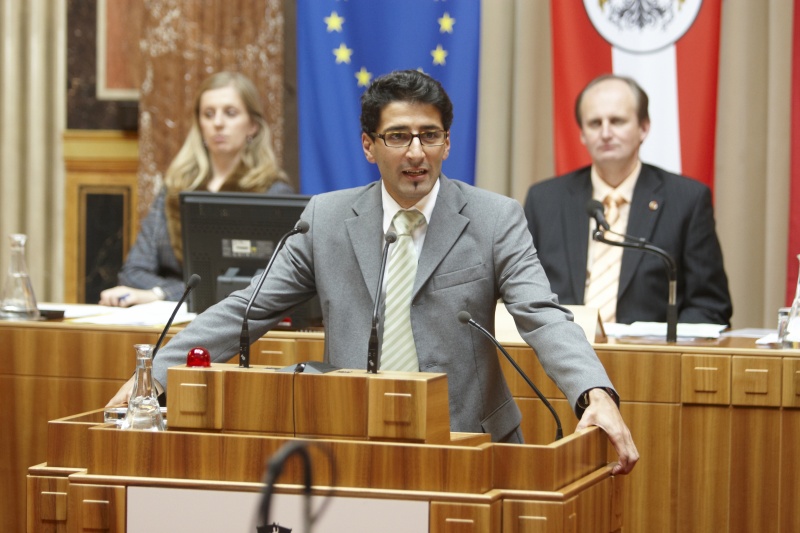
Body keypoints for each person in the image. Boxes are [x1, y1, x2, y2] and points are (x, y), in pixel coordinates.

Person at [108, 70, 638, 475]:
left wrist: (594, 393)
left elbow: (542, 314)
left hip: (471, 445)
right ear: (368, 145)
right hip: (353, 440)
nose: (416, 153)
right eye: (398, 136)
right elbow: (247, 308)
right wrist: (152, 376)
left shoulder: (494, 218)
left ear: (447, 143)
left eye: (430, 135)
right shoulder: (328, 219)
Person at [524, 74, 732, 326]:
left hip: (648, 350)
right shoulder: (545, 200)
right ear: (582, 134)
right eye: (595, 123)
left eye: (617, 121)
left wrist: (663, 343)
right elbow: (522, 296)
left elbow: (710, 307)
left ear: (644, 128)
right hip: (561, 347)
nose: (606, 133)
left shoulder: (687, 200)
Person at [99, 71, 293, 307]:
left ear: (252, 125)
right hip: (170, 321)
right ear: (200, 125)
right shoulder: (175, 189)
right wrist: (173, 293)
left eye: (230, 113)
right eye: (208, 114)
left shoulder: (272, 193)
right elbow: (133, 272)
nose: (218, 123)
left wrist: (161, 293)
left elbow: (267, 284)